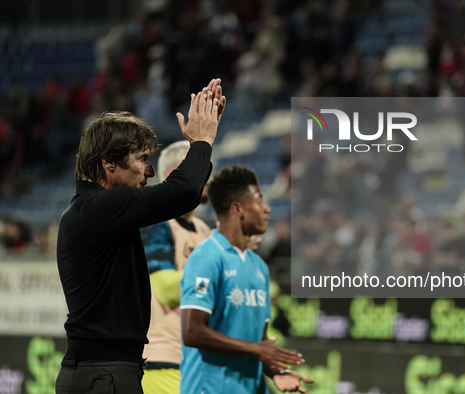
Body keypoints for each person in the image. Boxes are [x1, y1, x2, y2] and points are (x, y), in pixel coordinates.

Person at [55, 78, 225, 394]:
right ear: (108, 163)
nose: (149, 172)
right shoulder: (101, 207)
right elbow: (185, 191)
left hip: (99, 373)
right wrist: (202, 140)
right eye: (142, 159)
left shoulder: (91, 212)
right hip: (104, 376)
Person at [180, 165, 314, 394]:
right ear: (238, 209)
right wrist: (256, 349)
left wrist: (276, 372)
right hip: (209, 389)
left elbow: (259, 344)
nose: (267, 209)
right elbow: (192, 332)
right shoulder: (206, 256)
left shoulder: (259, 267)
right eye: (259, 201)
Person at [140, 140, 213, 394]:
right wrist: (216, 279)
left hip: (196, 360)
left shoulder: (205, 231)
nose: (209, 178)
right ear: (174, 174)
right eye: (203, 170)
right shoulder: (157, 223)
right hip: (162, 359)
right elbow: (166, 288)